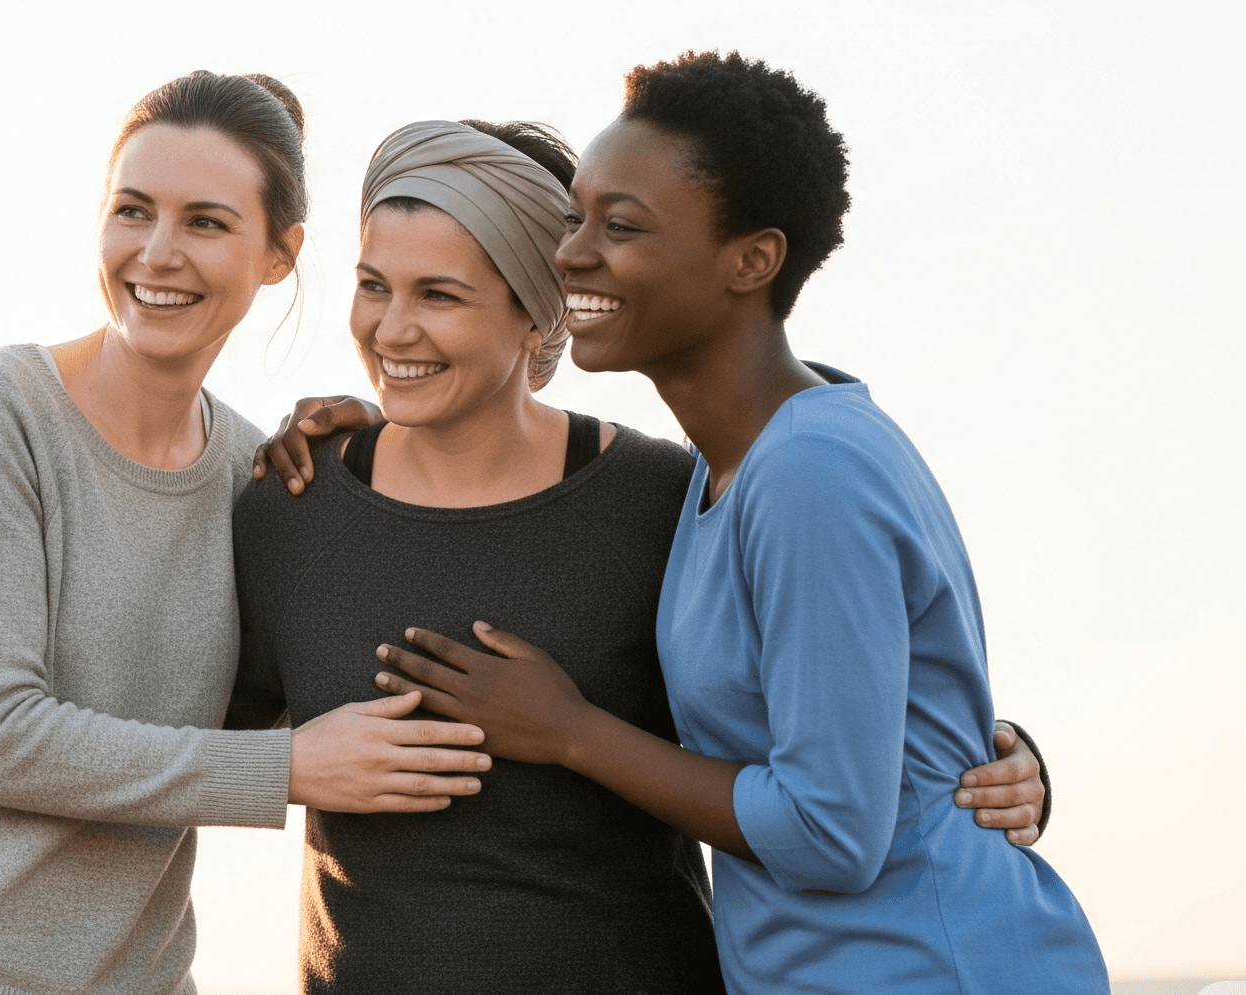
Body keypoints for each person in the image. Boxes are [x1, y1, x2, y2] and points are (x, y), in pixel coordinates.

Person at [231, 118, 1050, 995]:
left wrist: (1005, 760)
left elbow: (841, 720)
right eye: (372, 286)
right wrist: (278, 772)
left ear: (534, 313)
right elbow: (189, 731)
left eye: (439, 295)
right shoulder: (292, 507)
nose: (393, 330)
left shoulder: (669, 497)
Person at [0, 71, 491, 995]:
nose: (156, 253)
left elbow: (281, 694)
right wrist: (287, 769)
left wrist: (387, 461)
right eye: (131, 211)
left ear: (280, 253)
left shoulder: (260, 479)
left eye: (205, 221)